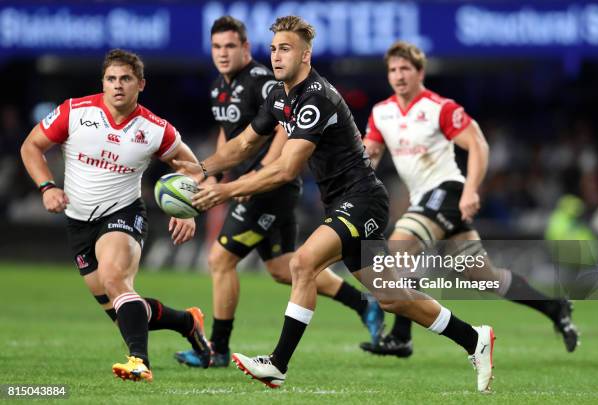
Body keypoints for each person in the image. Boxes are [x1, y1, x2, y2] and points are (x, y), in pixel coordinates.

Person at [175, 16, 496, 393]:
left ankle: (277, 364)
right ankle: (475, 339)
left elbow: (285, 169)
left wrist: (225, 191)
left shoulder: (316, 97)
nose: (277, 56)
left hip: (362, 200)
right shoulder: (279, 95)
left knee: (301, 263)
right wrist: (201, 169)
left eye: (286, 49)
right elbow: (243, 144)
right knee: (392, 298)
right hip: (342, 203)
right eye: (274, 48)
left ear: (306, 55)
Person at [174, 16, 384, 369]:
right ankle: (365, 303)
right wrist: (205, 169)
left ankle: (221, 349)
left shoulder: (264, 82)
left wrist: (242, 182)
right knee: (284, 268)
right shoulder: (220, 89)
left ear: (244, 48)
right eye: (216, 47)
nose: (223, 54)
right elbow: (235, 139)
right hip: (257, 185)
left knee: (222, 259)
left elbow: (284, 142)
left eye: (230, 46)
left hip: (270, 188)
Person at [360, 41, 579, 358]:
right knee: (484, 277)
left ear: (420, 72)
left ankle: (400, 336)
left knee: (397, 251)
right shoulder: (382, 113)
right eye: (393, 69)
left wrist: (471, 189)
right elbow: (371, 154)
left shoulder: (439, 107)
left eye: (405, 68)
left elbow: (477, 144)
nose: (398, 75)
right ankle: (555, 306)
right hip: (424, 200)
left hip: (447, 191)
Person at [20, 49, 211, 382]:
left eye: (126, 79)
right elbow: (30, 146)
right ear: (103, 83)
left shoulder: (155, 129)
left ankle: (139, 361)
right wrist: (47, 187)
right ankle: (187, 322)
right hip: (78, 221)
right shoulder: (75, 112)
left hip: (123, 214)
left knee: (115, 280)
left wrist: (188, 207)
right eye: (111, 79)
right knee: (122, 308)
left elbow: (195, 169)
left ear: (141, 84)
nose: (117, 86)